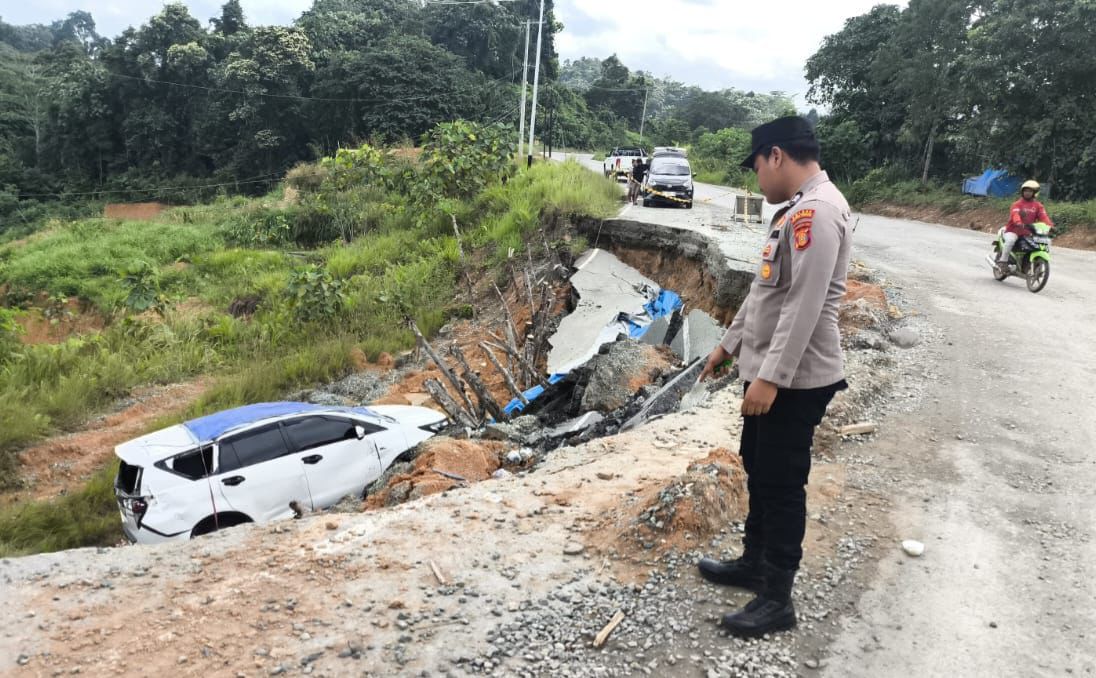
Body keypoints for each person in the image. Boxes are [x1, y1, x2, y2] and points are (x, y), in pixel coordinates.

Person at [696, 116, 852, 638]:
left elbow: (804, 306)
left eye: (757, 166)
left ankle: (777, 597)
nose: (756, 179)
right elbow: (766, 295)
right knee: (758, 468)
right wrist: (726, 346)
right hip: (769, 371)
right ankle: (754, 561)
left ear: (777, 156)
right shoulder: (793, 213)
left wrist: (770, 378)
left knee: (783, 483)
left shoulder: (818, 213)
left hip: (796, 379)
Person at [997, 180, 1053, 274]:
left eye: (1030, 191)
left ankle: (1028, 264)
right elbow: (1015, 214)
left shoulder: (1038, 206)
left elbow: (1044, 217)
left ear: (1034, 193)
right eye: (1026, 190)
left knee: (1039, 244)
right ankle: (1003, 262)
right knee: (1010, 241)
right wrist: (1018, 222)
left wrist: (1050, 226)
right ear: (1022, 192)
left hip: (1028, 232)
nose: (1027, 193)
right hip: (1013, 230)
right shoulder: (1017, 204)